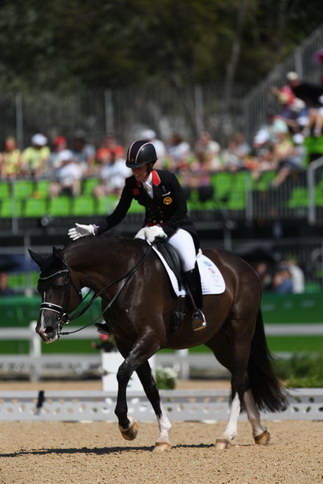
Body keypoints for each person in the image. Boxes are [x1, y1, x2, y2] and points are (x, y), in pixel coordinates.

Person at [68, 139, 207, 331]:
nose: (136, 172)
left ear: (150, 165)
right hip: (149, 229)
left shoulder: (167, 180)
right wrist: (94, 229)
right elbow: (118, 214)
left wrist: (165, 230)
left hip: (177, 228)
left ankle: (197, 311)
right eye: (133, 168)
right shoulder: (131, 184)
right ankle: (118, 317)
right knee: (128, 264)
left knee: (188, 261)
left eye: (139, 168)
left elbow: (181, 210)